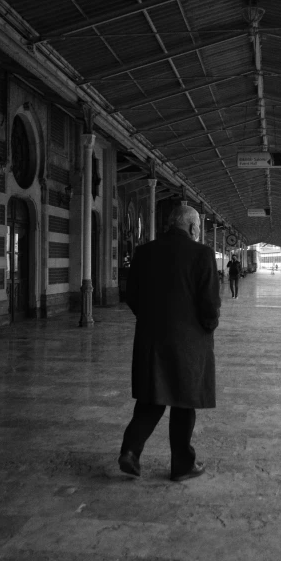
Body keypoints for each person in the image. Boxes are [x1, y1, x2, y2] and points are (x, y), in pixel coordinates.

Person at [118, 205, 221, 482]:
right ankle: (182, 465)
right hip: (189, 342)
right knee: (184, 402)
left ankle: (130, 451)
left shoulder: (144, 252)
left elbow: (131, 295)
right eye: (197, 228)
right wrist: (207, 326)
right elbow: (210, 303)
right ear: (191, 227)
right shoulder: (201, 254)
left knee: (151, 398)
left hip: (150, 339)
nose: (198, 233)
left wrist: (151, 319)